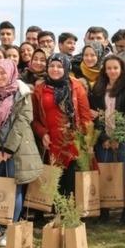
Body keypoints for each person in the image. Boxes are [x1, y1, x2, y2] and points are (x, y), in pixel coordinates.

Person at [0, 60, 42, 246]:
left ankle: (9, 231)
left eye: (3, 73)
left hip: (17, 149)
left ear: (12, 73)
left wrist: (9, 148)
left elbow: (23, 121)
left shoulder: (23, 94)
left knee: (14, 188)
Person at [32, 53, 93, 196]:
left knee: (71, 182)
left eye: (59, 66)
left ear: (66, 68)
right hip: (50, 143)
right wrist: (42, 133)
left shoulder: (76, 87)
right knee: (54, 182)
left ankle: (69, 215)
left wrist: (87, 141)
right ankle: (56, 214)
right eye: (51, 66)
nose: (55, 69)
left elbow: (85, 117)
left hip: (72, 142)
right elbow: (34, 119)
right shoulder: (39, 89)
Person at [89, 55, 125, 224]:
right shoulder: (98, 88)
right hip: (104, 139)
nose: (112, 71)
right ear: (104, 70)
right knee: (104, 173)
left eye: (115, 68)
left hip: (123, 138)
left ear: (121, 69)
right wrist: (104, 138)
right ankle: (104, 209)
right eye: (109, 68)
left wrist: (119, 137)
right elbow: (95, 115)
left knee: (124, 174)